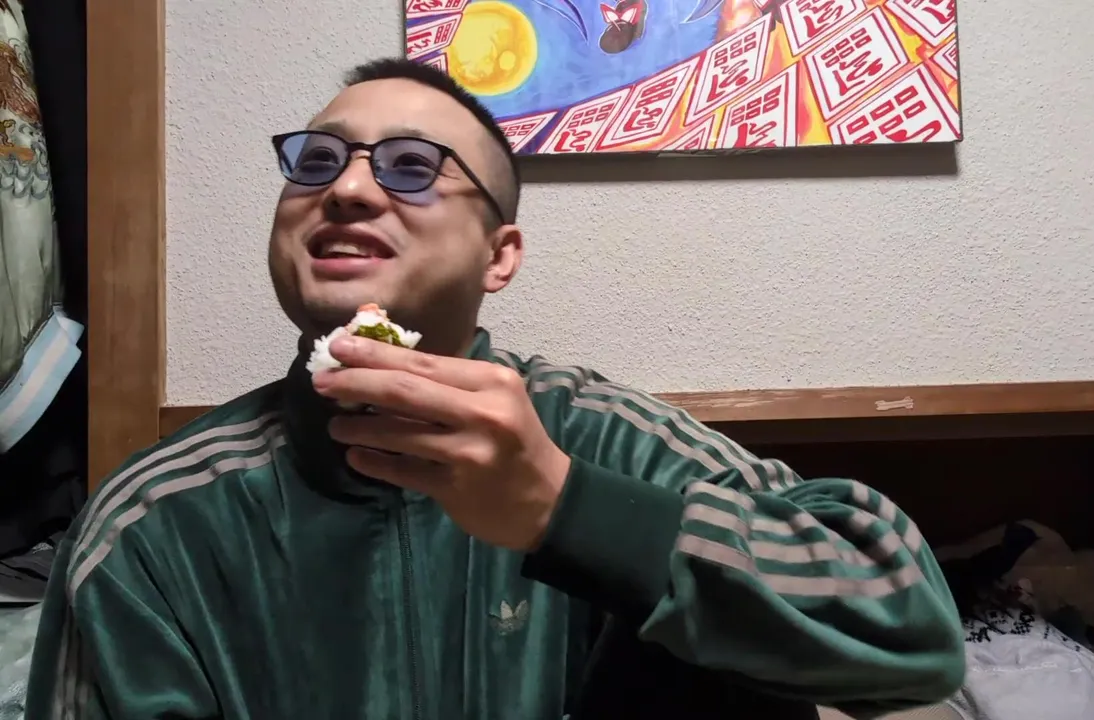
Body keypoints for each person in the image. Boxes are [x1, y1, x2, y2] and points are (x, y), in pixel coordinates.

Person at [25, 58, 965, 720]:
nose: (347, 190)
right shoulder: (152, 528)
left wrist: (566, 506)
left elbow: (910, 628)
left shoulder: (609, 439)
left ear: (499, 255)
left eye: (411, 167)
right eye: (316, 161)